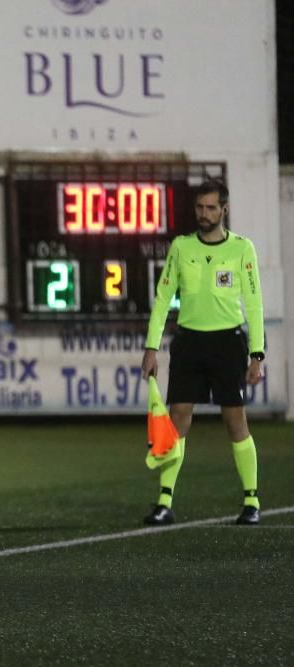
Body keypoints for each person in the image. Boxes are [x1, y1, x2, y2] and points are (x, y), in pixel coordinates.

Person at [140, 178, 265, 527]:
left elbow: (254, 304)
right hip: (189, 342)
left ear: (224, 209)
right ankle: (165, 501)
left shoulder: (242, 249)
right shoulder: (181, 247)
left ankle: (251, 501)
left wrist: (257, 354)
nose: (204, 214)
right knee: (178, 418)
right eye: (200, 207)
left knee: (234, 420)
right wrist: (151, 347)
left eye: (211, 208)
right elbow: (163, 298)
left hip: (228, 342)